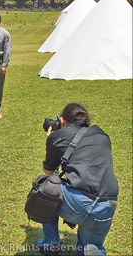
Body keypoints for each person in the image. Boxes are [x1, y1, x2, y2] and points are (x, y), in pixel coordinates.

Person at [37, 103, 118, 256]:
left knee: (44, 189)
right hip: (108, 205)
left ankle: (51, 245)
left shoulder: (57, 137)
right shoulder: (101, 134)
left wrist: (51, 140)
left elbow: (48, 173)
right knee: (91, 249)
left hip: (80, 203)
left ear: (62, 121)